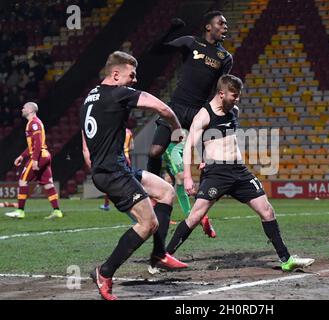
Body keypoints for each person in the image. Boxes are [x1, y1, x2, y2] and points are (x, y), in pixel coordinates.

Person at [166, 74, 315, 272]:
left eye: (238, 96)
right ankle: (163, 257)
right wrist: (187, 175)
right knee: (195, 217)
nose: (237, 99)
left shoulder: (233, 111)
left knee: (267, 211)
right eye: (234, 95)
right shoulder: (204, 115)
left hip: (240, 171)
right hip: (217, 173)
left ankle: (286, 259)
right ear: (221, 94)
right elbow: (188, 146)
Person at [80, 51, 187, 300]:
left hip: (113, 167)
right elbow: (162, 107)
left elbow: (87, 141)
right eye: (132, 74)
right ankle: (104, 272)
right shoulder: (118, 93)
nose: (135, 80)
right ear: (115, 74)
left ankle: (159, 254)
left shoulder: (89, 97)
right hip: (113, 172)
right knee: (148, 223)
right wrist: (177, 130)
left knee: (166, 192)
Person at [146, 11, 233, 238]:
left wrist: (216, 114)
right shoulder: (189, 43)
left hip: (198, 111)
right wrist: (171, 30)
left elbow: (220, 90)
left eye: (226, 24)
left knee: (207, 161)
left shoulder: (225, 57)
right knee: (154, 151)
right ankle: (151, 196)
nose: (225, 27)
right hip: (176, 106)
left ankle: (201, 209)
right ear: (208, 26)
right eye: (221, 23)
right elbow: (158, 50)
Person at [4, 102, 63, 219]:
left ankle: (20, 211)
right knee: (48, 184)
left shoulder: (34, 123)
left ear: (30, 110)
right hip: (44, 155)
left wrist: (35, 160)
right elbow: (33, 145)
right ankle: (57, 211)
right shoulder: (34, 122)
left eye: (24, 108)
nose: (22, 109)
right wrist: (22, 156)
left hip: (40, 156)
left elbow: (38, 143)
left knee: (23, 181)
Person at [99, 127, 134, 211]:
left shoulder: (116, 130)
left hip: (118, 157)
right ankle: (132, 201)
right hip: (127, 157)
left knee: (110, 181)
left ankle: (107, 204)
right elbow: (132, 147)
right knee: (129, 182)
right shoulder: (129, 132)